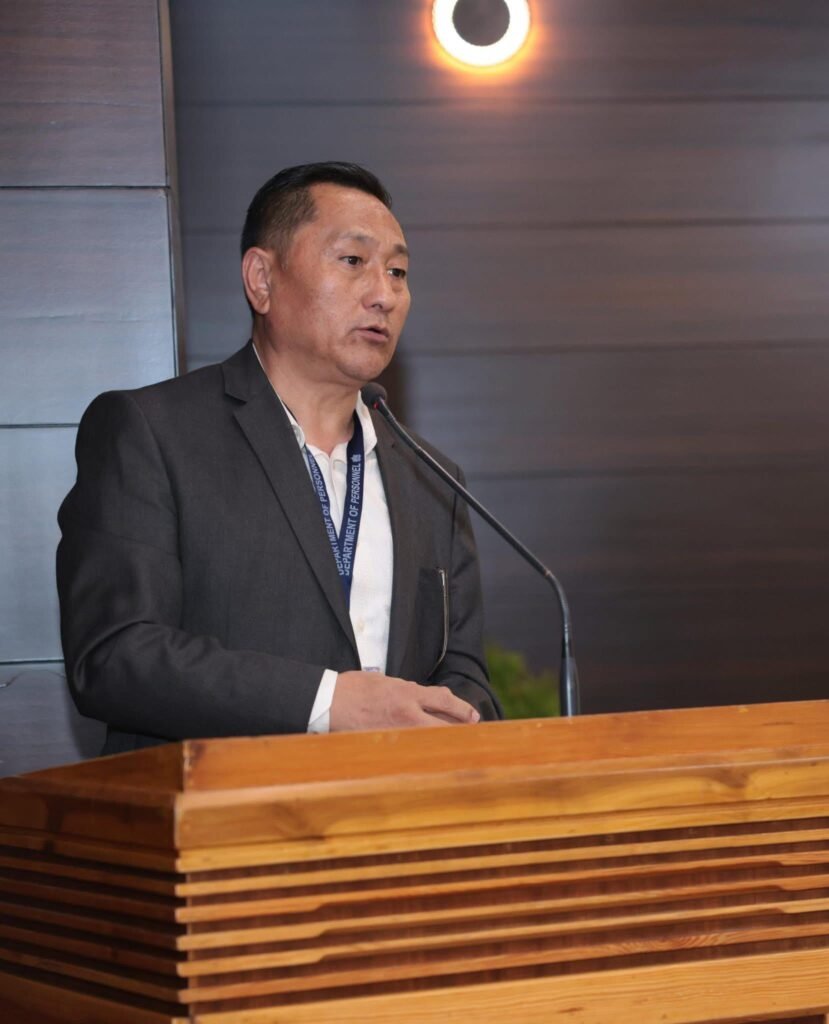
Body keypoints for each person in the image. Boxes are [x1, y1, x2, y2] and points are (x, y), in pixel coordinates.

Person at [57, 162, 501, 755]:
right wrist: (329, 703)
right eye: (353, 261)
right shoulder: (153, 433)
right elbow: (116, 655)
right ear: (261, 279)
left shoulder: (433, 478)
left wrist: (451, 719)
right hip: (218, 804)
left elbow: (465, 674)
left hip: (393, 803)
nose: (384, 294)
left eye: (398, 272)